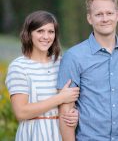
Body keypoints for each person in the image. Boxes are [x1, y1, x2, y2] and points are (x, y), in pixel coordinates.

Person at [57, 0, 118, 141]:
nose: (105, 18)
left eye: (109, 13)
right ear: (89, 18)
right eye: (99, 14)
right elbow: (66, 111)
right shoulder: (74, 57)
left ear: (117, 15)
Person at [5, 10, 80, 141]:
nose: (46, 36)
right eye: (40, 31)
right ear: (29, 34)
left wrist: (74, 114)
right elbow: (21, 112)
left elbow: (72, 101)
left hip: (62, 134)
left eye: (51, 32)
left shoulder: (62, 63)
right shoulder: (19, 67)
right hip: (33, 135)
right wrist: (59, 98)